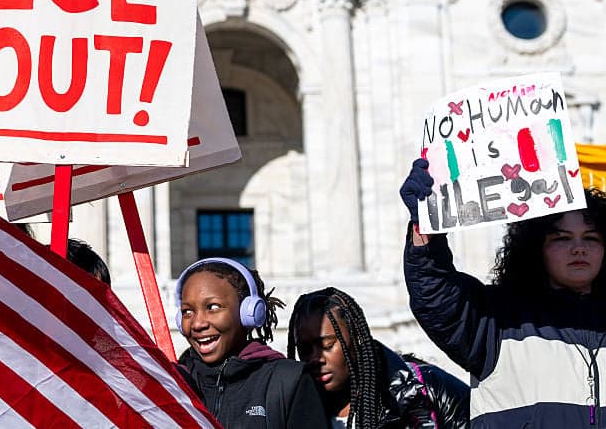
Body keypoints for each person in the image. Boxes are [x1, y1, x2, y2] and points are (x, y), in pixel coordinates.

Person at [401, 157, 606, 427]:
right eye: (562, 238)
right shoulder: (495, 321)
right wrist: (426, 226)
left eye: (591, 238)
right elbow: (435, 292)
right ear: (536, 248)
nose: (579, 249)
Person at [287, 287, 468, 428]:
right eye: (304, 349)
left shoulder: (425, 390)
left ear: (356, 339)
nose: (315, 358)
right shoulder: (292, 411)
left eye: (327, 345)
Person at [175, 257, 326, 427]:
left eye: (213, 307)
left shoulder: (289, 381)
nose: (197, 324)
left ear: (248, 312)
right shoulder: (173, 382)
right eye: (187, 311)